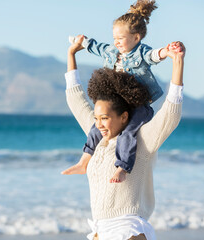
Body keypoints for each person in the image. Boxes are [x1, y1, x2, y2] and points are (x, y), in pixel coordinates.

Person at [64, 34, 185, 239]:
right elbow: (76, 99)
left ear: (124, 116)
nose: (99, 123)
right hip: (99, 230)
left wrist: (178, 62)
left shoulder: (142, 140)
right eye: (96, 117)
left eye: (104, 118)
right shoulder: (97, 138)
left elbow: (170, 115)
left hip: (128, 229)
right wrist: (71, 54)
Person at [62, 0, 183, 183]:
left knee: (128, 133)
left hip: (139, 105)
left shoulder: (141, 52)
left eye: (121, 38)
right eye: (115, 38)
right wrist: (80, 42)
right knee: (96, 128)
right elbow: (96, 46)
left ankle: (122, 168)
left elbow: (154, 56)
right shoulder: (111, 50)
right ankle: (84, 161)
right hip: (118, 103)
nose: (116, 42)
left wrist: (167, 51)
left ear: (136, 38)